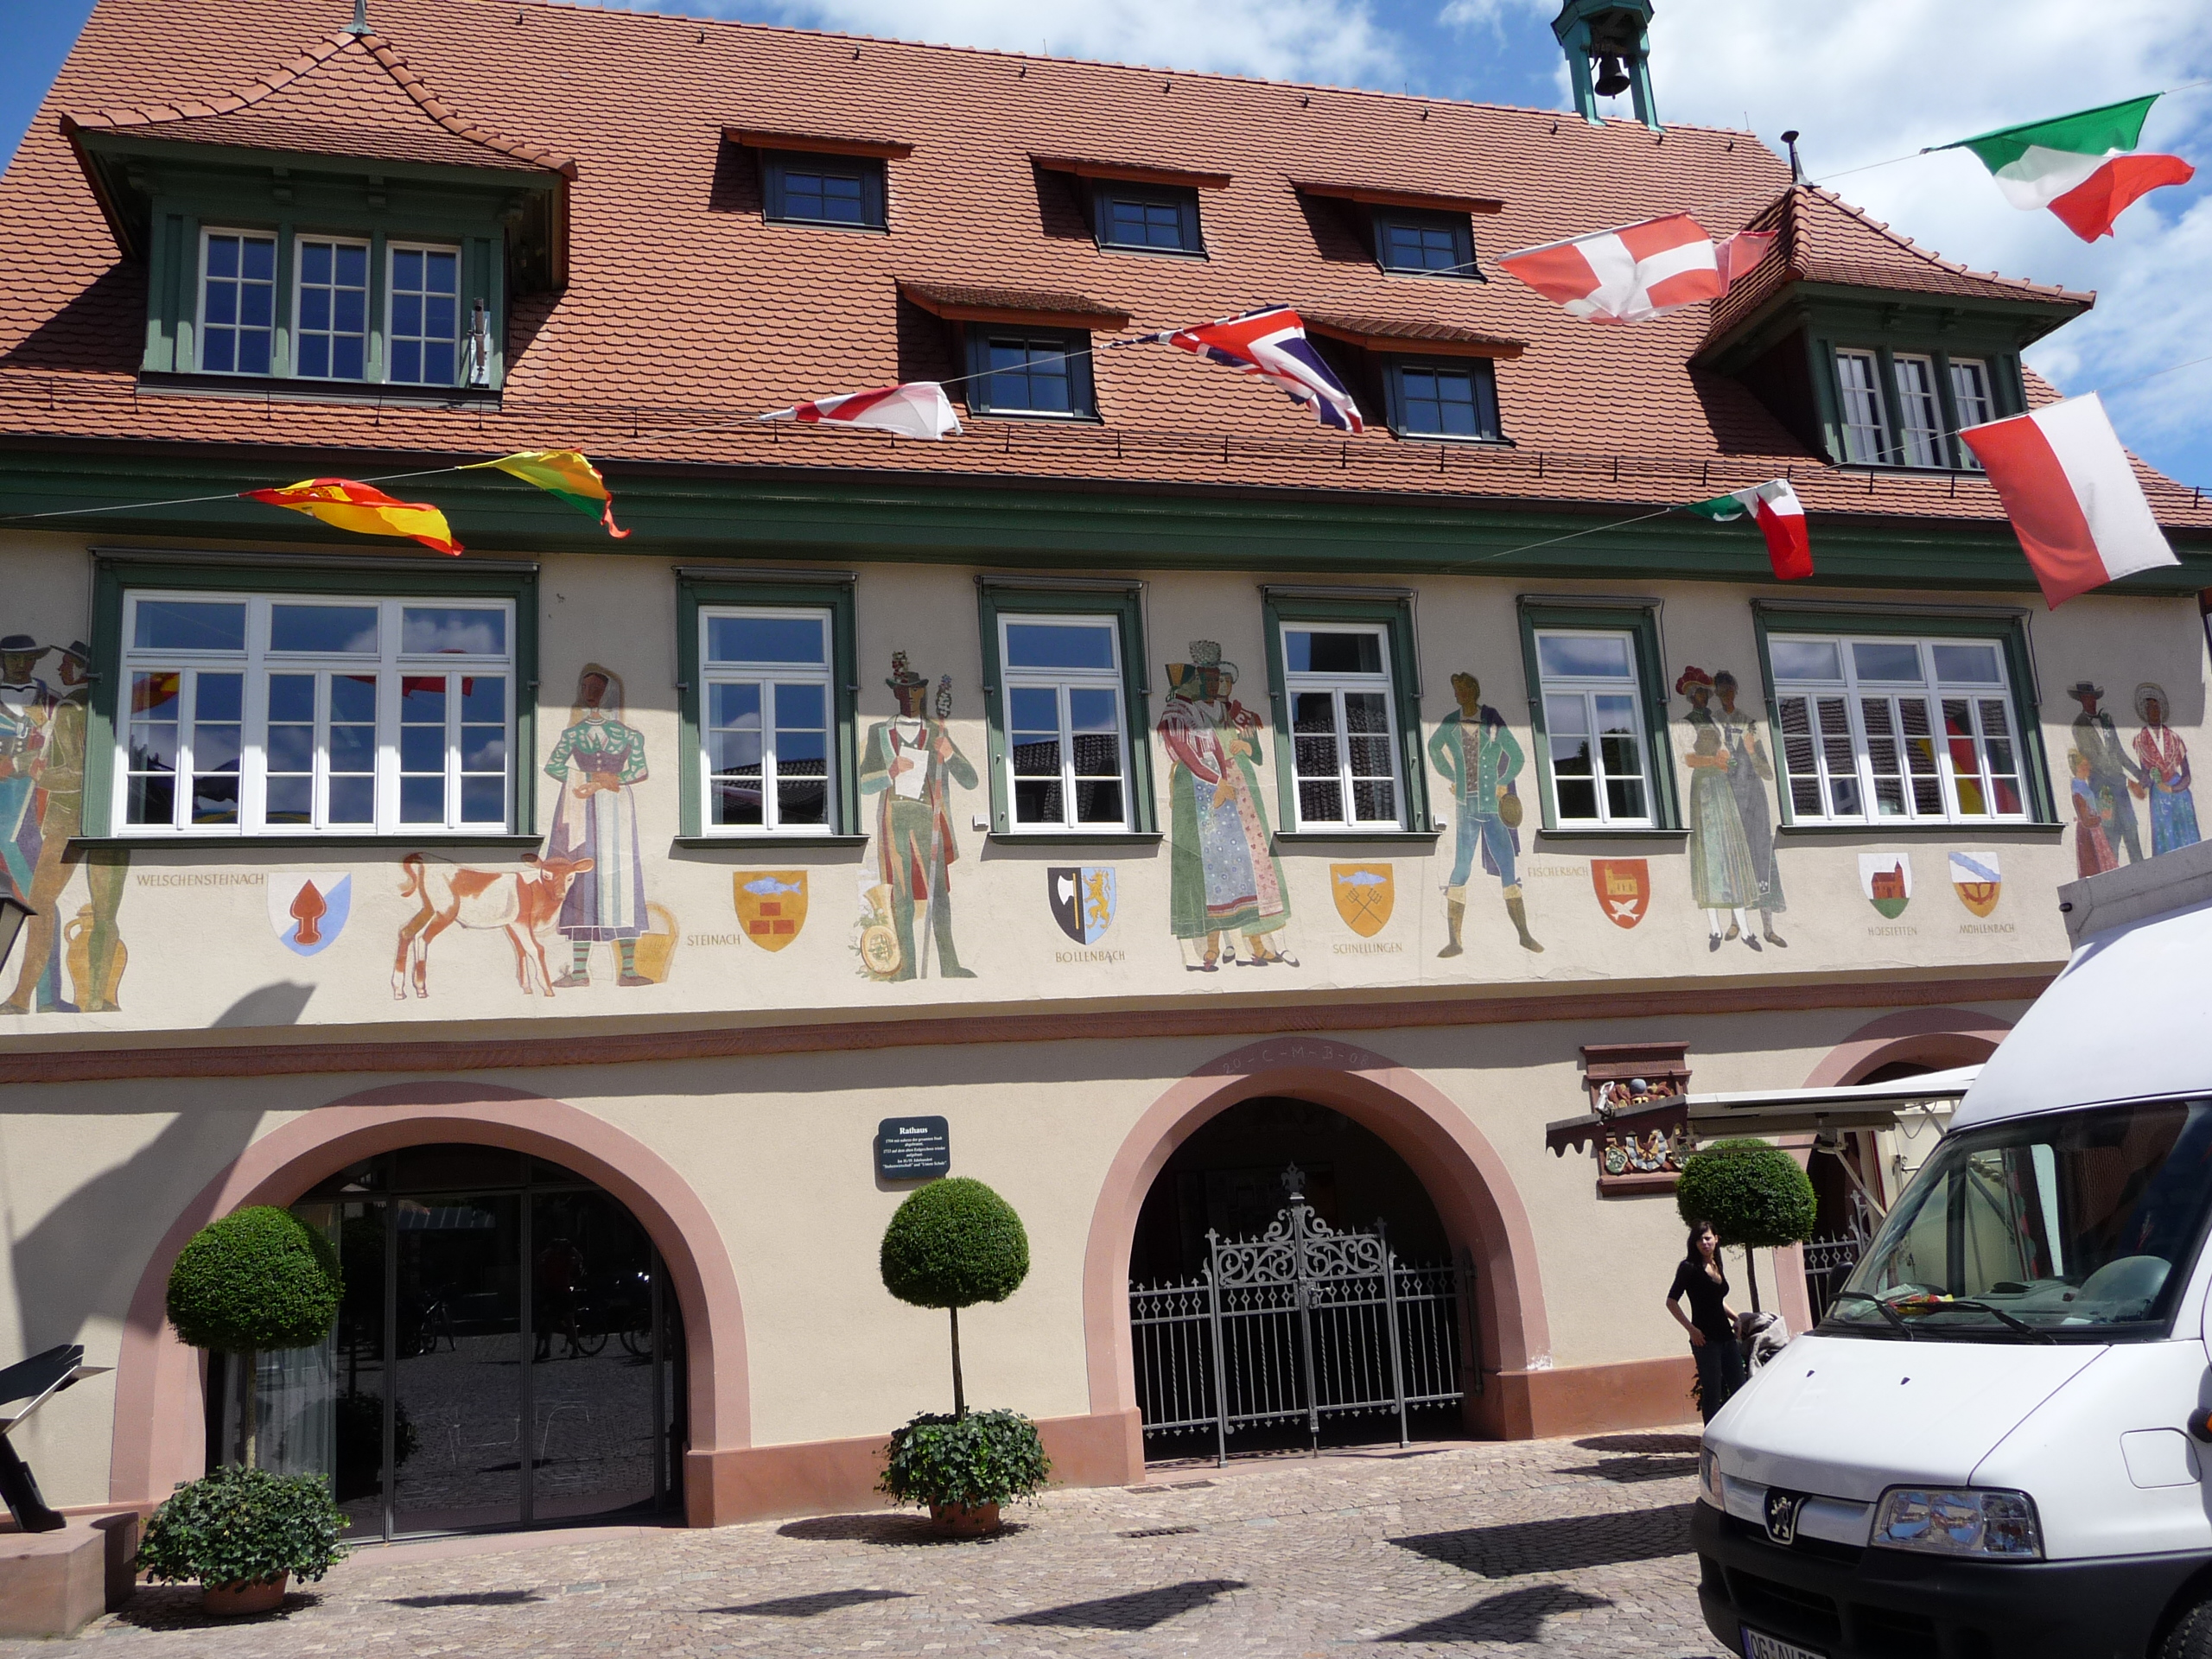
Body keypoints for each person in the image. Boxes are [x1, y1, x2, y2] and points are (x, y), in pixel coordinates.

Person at [1158, 641, 1293, 969]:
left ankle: (1255, 941)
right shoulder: (1180, 714)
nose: (1214, 684)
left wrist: (1234, 761)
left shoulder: (1231, 714)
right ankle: (1213, 945)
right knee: (1205, 867)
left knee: (1244, 863)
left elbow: (1244, 750)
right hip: (1200, 789)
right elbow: (1188, 753)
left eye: (1218, 678)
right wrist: (1218, 779)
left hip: (1231, 787)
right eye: (1206, 678)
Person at [857, 652, 978, 980]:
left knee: (939, 894)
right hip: (894, 820)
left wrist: (950, 755)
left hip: (930, 818)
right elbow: (863, 783)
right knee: (902, 895)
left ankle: (949, 965)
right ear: (895, 693)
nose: (909, 696)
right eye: (903, 690)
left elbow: (971, 780)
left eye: (914, 690)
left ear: (922, 692)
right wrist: (890, 772)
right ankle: (907, 968)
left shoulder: (937, 732)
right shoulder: (880, 732)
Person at [543, 665, 651, 986]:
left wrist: (609, 780)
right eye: (586, 687)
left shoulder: (629, 735)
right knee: (582, 881)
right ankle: (579, 972)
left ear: (609, 693)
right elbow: (553, 766)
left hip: (617, 809)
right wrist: (588, 778)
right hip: (580, 807)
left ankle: (628, 970)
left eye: (596, 688)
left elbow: (640, 770)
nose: (590, 693)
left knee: (622, 882)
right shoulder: (573, 734)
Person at [1427, 671, 1540, 957]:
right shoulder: (1451, 722)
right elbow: (1433, 747)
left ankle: (1524, 935)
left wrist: (1504, 780)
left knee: (1507, 866)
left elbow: (1518, 756)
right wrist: (1452, 775)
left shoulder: (1492, 719)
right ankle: (1455, 941)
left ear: (1473, 692)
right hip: (1466, 805)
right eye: (1456, 691)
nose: (1458, 695)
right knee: (1461, 869)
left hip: (1492, 805)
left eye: (1462, 690)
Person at [1677, 669, 1762, 952]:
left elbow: (1725, 751)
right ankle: (1714, 928)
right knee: (1710, 855)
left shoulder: (1712, 720)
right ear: (1692, 696)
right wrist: (1714, 761)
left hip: (1721, 787)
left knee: (1731, 852)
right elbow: (1688, 759)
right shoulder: (1686, 723)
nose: (1706, 697)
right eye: (1702, 693)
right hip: (1704, 790)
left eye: (1706, 692)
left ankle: (1746, 930)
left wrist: (1727, 762)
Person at [1713, 671, 1786, 948]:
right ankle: (1735, 921)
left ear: (1736, 690)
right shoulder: (1713, 722)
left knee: (1761, 855)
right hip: (1730, 798)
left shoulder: (1749, 723)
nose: (1726, 695)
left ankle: (1768, 928)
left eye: (1729, 690)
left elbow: (1767, 771)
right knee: (1733, 857)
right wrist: (1721, 763)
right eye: (1721, 691)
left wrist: (1752, 752)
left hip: (1754, 799)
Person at [1667, 1219, 1744, 1423]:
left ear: (1716, 1239)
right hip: (1705, 1341)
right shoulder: (1689, 1267)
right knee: (1712, 1393)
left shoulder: (1716, 1265)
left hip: (1727, 1338)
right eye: (1700, 1239)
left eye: (1708, 1238)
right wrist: (1691, 1330)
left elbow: (1717, 1300)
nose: (1704, 1243)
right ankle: (1710, 1436)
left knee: (1740, 1388)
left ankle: (1736, 1431)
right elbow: (1671, 1301)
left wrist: (1737, 1318)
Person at [2068, 681, 2145, 864]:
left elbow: (2119, 752)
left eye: (2092, 697)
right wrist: (2126, 781)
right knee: (2111, 835)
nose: (2090, 701)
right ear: (2081, 700)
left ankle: (2143, 871)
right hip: (2102, 788)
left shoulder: (2106, 720)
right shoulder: (2079, 725)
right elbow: (2095, 761)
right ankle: (2114, 875)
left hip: (2120, 789)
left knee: (2131, 830)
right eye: (2086, 698)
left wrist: (2139, 774)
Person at [2133, 683, 2199, 857]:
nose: (2154, 711)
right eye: (2150, 707)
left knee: (2187, 842)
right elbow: (2146, 775)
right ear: (2145, 711)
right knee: (2166, 843)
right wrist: (2141, 785)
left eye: (2157, 707)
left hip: (2179, 794)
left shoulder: (2175, 738)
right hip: (2160, 797)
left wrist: (2174, 788)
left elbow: (2187, 775)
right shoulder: (2140, 741)